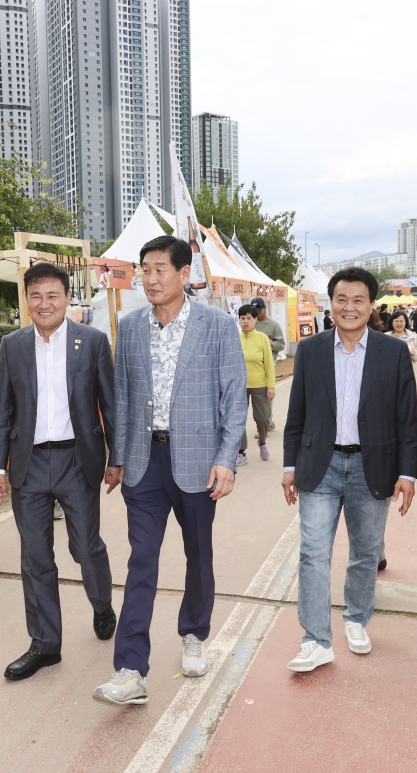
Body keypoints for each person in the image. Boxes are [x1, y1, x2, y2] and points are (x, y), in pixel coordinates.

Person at [93, 236, 246, 706]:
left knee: (198, 553)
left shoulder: (218, 326)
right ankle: (130, 669)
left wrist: (226, 457)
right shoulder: (131, 325)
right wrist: (116, 456)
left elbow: (233, 396)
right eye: (145, 269)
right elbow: (119, 396)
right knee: (141, 561)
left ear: (185, 273)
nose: (151, 278)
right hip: (143, 462)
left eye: (161, 268)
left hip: (198, 462)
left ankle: (194, 632)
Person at [281, 268, 417, 673]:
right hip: (318, 466)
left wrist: (407, 474)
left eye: (358, 300)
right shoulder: (311, 350)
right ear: (331, 303)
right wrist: (290, 465)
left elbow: (406, 420)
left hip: (371, 466)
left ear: (371, 305)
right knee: (313, 553)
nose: (349, 307)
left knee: (364, 552)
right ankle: (316, 639)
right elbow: (296, 414)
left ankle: (356, 618)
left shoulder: (392, 352)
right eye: (342, 299)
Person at [0, 264, 116, 681]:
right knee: (36, 557)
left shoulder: (92, 342)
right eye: (36, 296)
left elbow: (110, 404)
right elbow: (2, 410)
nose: (45, 304)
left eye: (53, 295)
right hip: (28, 464)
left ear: (67, 297)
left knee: (85, 547)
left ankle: (101, 603)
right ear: (27, 300)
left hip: (77, 461)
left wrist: (117, 458)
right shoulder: (13, 345)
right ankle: (45, 644)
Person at [237, 304, 275, 465]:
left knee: (262, 418)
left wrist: (271, 385)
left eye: (249, 318)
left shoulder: (262, 338)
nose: (246, 321)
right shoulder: (234, 338)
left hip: (259, 384)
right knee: (238, 419)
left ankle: (263, 442)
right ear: (239, 320)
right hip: (239, 386)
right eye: (242, 318)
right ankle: (241, 451)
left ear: (255, 320)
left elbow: (269, 363)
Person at [250, 296, 285, 430]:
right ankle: (264, 422)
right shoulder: (250, 323)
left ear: (265, 308)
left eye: (259, 309)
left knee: (267, 394)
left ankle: (266, 422)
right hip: (253, 366)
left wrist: (265, 341)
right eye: (254, 309)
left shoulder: (274, 325)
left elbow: (281, 344)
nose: (257, 312)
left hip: (268, 364)